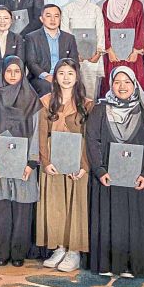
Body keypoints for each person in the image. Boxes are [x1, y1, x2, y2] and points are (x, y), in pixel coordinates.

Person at [85, 66, 144, 278]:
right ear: (111, 84)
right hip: (108, 177)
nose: (122, 86)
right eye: (117, 82)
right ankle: (108, 264)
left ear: (134, 84)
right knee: (110, 219)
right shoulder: (100, 109)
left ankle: (131, 265)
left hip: (136, 178)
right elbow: (92, 140)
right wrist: (100, 170)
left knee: (133, 221)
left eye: (127, 82)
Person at [0, 56, 43, 268]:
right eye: (8, 71)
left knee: (22, 209)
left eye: (17, 71)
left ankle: (18, 253)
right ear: (2, 72)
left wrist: (31, 163)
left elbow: (36, 132)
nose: (12, 75)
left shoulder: (31, 98)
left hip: (24, 162)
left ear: (23, 73)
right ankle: (1, 252)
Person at [36, 59, 93, 272]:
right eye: (61, 73)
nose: (66, 77)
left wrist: (84, 165)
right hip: (53, 159)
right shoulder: (46, 101)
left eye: (70, 73)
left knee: (75, 203)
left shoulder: (86, 104)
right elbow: (41, 134)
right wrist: (46, 161)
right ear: (55, 76)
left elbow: (89, 136)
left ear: (77, 76)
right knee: (55, 203)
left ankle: (74, 251)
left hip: (77, 158)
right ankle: (59, 247)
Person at [61, 0, 106, 100]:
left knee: (90, 92)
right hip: (74, 56)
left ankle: (90, 117)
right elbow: (65, 32)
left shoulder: (95, 9)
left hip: (92, 57)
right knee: (71, 90)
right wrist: (74, 53)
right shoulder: (68, 9)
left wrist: (98, 53)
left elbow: (100, 32)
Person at [101, 0, 144, 88]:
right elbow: (104, 28)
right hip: (113, 54)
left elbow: (140, 28)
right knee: (113, 83)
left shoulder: (137, 5)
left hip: (132, 55)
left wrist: (136, 51)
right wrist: (109, 50)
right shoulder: (107, 4)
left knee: (132, 83)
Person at [23, 4, 79, 95]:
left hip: (65, 77)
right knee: (47, 87)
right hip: (41, 78)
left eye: (56, 16)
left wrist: (66, 76)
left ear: (60, 19)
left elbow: (75, 62)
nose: (53, 19)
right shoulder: (32, 37)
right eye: (48, 16)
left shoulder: (69, 38)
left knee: (80, 87)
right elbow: (31, 63)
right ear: (41, 19)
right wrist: (46, 76)